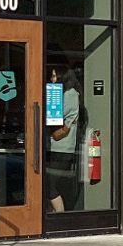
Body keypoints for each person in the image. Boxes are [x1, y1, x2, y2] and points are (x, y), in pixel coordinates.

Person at [47, 67, 84, 212]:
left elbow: (55, 116)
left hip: (62, 147)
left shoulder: (70, 94)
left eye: (55, 76)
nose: (52, 79)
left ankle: (60, 215)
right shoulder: (67, 93)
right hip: (55, 146)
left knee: (48, 185)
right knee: (50, 184)